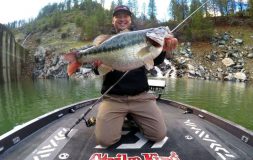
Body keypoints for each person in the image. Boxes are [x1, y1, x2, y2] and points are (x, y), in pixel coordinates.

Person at [94, 5, 178, 147]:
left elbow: (155, 61)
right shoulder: (105, 42)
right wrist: (97, 65)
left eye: (125, 16)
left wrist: (163, 49)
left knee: (158, 135)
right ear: (113, 21)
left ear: (130, 20)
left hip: (141, 97)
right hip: (113, 98)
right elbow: (97, 72)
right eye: (118, 16)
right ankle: (118, 117)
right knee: (105, 141)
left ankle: (132, 117)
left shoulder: (143, 38)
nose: (122, 19)